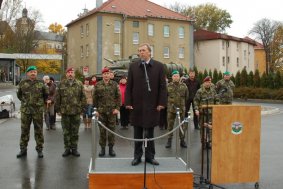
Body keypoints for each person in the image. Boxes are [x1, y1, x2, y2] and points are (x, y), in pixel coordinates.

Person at [125, 43, 167, 166]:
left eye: (143, 50)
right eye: (139, 51)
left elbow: (163, 87)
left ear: (149, 52)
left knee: (150, 133)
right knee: (137, 132)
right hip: (137, 106)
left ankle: (150, 156)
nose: (141, 53)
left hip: (152, 105)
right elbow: (129, 87)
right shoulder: (133, 67)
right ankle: (137, 156)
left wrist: (161, 103)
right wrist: (128, 102)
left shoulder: (159, 66)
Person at [16, 66, 48, 158]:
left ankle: (39, 149)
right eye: (31, 72)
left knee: (39, 131)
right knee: (24, 130)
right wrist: (26, 103)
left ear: (36, 73)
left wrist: (39, 103)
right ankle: (23, 149)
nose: (33, 73)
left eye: (34, 71)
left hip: (37, 111)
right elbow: (19, 95)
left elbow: (46, 95)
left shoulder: (41, 83)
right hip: (26, 111)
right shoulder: (23, 83)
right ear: (27, 73)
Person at [55, 67, 86, 157]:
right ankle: (67, 149)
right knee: (66, 131)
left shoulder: (79, 84)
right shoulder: (61, 84)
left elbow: (83, 98)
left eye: (72, 72)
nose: (70, 74)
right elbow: (57, 97)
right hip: (65, 112)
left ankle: (74, 148)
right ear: (66, 74)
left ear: (74, 74)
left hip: (76, 112)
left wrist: (82, 109)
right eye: (68, 72)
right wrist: (58, 109)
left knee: (75, 131)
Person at [93, 67, 121, 157]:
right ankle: (102, 149)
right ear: (102, 75)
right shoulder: (98, 85)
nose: (106, 75)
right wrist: (96, 110)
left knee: (112, 131)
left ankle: (111, 149)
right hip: (101, 112)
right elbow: (95, 98)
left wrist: (117, 109)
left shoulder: (114, 84)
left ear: (110, 75)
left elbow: (118, 97)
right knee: (102, 132)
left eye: (107, 74)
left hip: (112, 112)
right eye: (104, 74)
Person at [165, 70, 189, 148]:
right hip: (171, 109)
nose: (176, 77)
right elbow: (165, 96)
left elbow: (186, 97)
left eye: (177, 76)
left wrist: (182, 104)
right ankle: (169, 140)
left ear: (179, 77)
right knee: (170, 125)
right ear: (172, 77)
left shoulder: (184, 86)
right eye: (174, 76)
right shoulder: (168, 86)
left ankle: (182, 140)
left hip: (181, 109)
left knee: (182, 125)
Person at [194, 76, 219, 147]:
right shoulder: (200, 91)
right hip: (203, 113)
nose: (208, 83)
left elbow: (217, 100)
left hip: (211, 113)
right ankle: (204, 143)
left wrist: (216, 108)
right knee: (203, 128)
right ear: (204, 82)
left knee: (211, 128)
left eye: (210, 82)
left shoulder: (213, 91)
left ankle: (210, 142)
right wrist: (196, 109)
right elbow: (196, 101)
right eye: (207, 82)